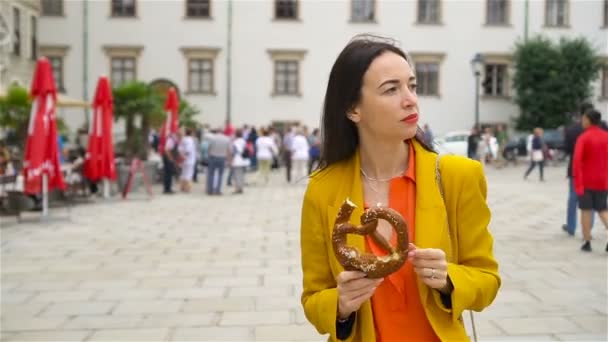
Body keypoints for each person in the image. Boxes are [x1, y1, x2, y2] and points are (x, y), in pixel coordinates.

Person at [300, 35, 500, 342]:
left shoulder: (458, 177)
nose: (410, 99)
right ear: (354, 109)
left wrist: (449, 280)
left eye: (412, 85)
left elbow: (487, 280)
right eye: (391, 89)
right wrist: (339, 305)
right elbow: (313, 299)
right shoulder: (323, 189)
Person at [573, 110, 608, 252]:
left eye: (583, 119)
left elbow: (577, 161)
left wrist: (577, 183)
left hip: (586, 181)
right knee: (602, 209)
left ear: (588, 120)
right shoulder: (606, 136)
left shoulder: (584, 137)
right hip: (603, 180)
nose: (582, 121)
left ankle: (587, 242)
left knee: (586, 211)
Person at [563, 104, 595, 236]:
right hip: (593, 169)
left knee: (573, 198)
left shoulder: (571, 130)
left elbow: (567, 149)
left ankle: (571, 226)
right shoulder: (601, 129)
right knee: (590, 200)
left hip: (576, 168)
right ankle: (588, 228)